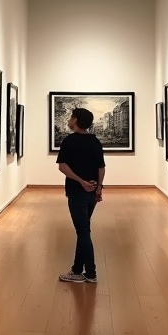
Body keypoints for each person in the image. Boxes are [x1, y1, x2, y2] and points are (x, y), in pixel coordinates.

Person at [56, 107, 105, 283]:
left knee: (83, 231)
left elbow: (63, 167)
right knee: (83, 229)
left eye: (71, 117)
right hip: (92, 193)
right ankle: (77, 270)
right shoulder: (95, 142)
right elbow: (101, 167)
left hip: (78, 192)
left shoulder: (69, 141)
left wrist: (80, 181)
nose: (68, 120)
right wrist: (99, 188)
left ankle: (90, 273)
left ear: (75, 121)